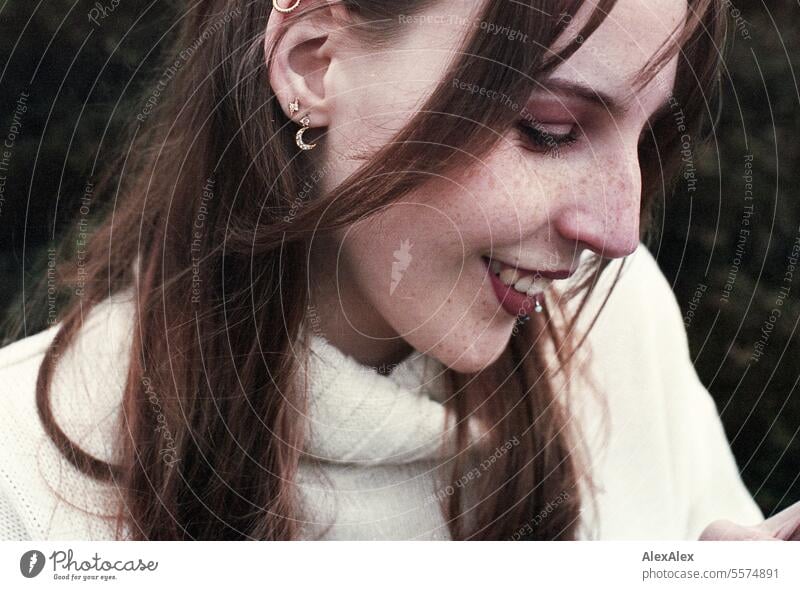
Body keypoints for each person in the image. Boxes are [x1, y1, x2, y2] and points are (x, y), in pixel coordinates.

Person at [0, 0, 796, 541]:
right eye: (548, 129)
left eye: (646, 136)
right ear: (313, 63)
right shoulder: (21, 479)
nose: (618, 232)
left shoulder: (621, 323)